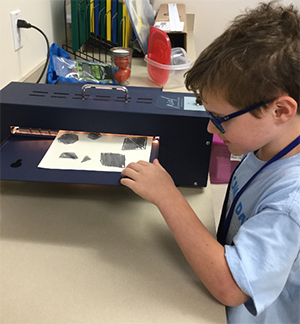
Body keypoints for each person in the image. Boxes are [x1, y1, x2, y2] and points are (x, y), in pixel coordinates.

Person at [121, 1, 300, 323]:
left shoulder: (291, 203)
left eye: (220, 119)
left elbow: (232, 288)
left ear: (281, 111)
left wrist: (167, 196)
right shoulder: (270, 143)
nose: (209, 127)